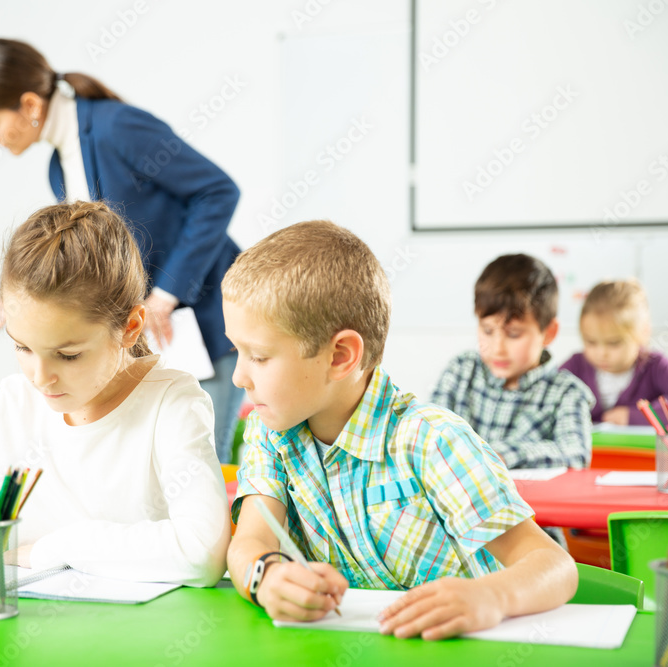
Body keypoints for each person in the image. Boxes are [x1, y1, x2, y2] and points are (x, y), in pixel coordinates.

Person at [224, 221, 577, 640]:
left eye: (259, 357)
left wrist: (491, 597)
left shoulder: (432, 441)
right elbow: (248, 544)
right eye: (237, 351)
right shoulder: (272, 434)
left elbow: (554, 566)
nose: (238, 377)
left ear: (340, 356)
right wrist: (266, 576)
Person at [0, 201, 230, 588]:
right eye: (22, 347)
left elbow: (202, 551)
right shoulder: (11, 407)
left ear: (131, 327)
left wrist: (52, 550)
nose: (41, 378)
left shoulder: (171, 403)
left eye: (68, 355)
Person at [0, 38, 244, 463]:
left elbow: (217, 192)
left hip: (203, 326)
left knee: (201, 466)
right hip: (148, 340)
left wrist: (164, 296)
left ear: (31, 105)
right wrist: (11, 304)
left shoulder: (115, 128)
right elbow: (89, 266)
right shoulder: (59, 166)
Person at [431, 254, 594, 469]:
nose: (497, 348)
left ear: (548, 332)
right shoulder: (461, 371)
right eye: (487, 331)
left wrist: (501, 455)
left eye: (514, 334)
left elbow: (576, 453)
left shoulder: (567, 393)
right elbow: (428, 435)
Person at [561, 279, 668, 428]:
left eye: (614, 343)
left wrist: (633, 417)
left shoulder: (655, 366)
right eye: (591, 342)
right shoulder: (576, 366)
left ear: (643, 333)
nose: (601, 353)